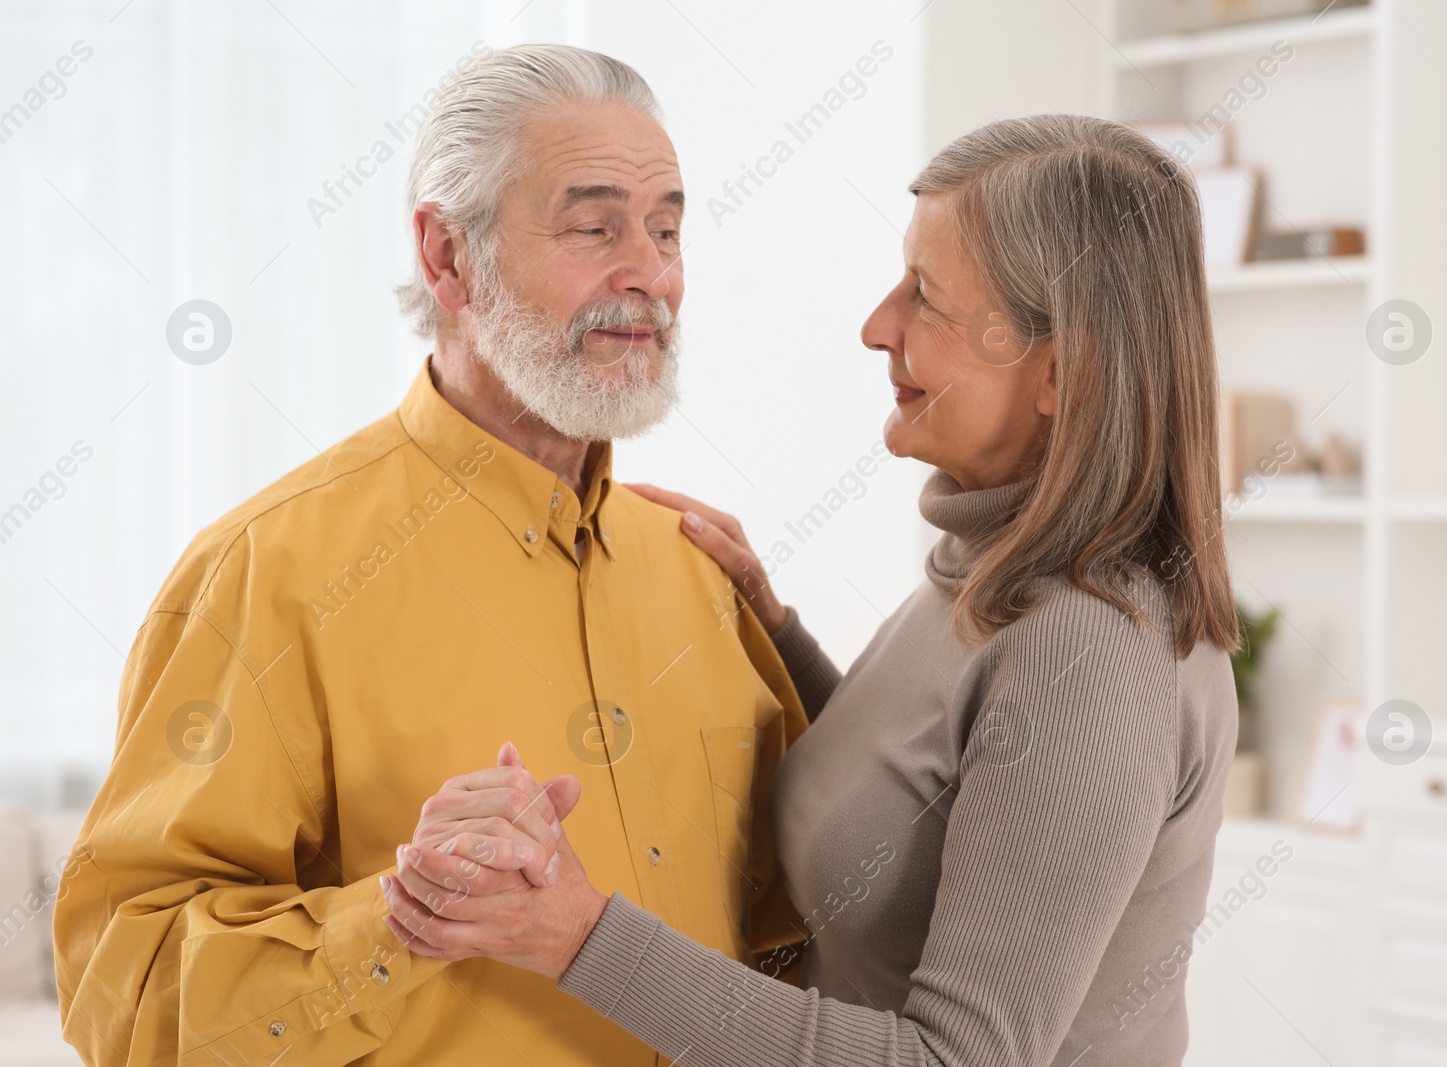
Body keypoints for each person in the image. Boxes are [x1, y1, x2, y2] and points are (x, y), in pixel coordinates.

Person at [381, 115, 1244, 1067]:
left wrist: (580, 937)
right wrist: (776, 628)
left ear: (1058, 371)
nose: (878, 326)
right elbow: (942, 799)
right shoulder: (1004, 576)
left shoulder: (1089, 647)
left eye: (928, 297)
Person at [53, 45, 808, 1066]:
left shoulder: (700, 573)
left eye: (667, 229)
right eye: (594, 227)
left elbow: (799, 949)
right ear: (449, 257)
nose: (650, 275)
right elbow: (126, 1002)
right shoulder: (264, 571)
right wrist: (402, 916)